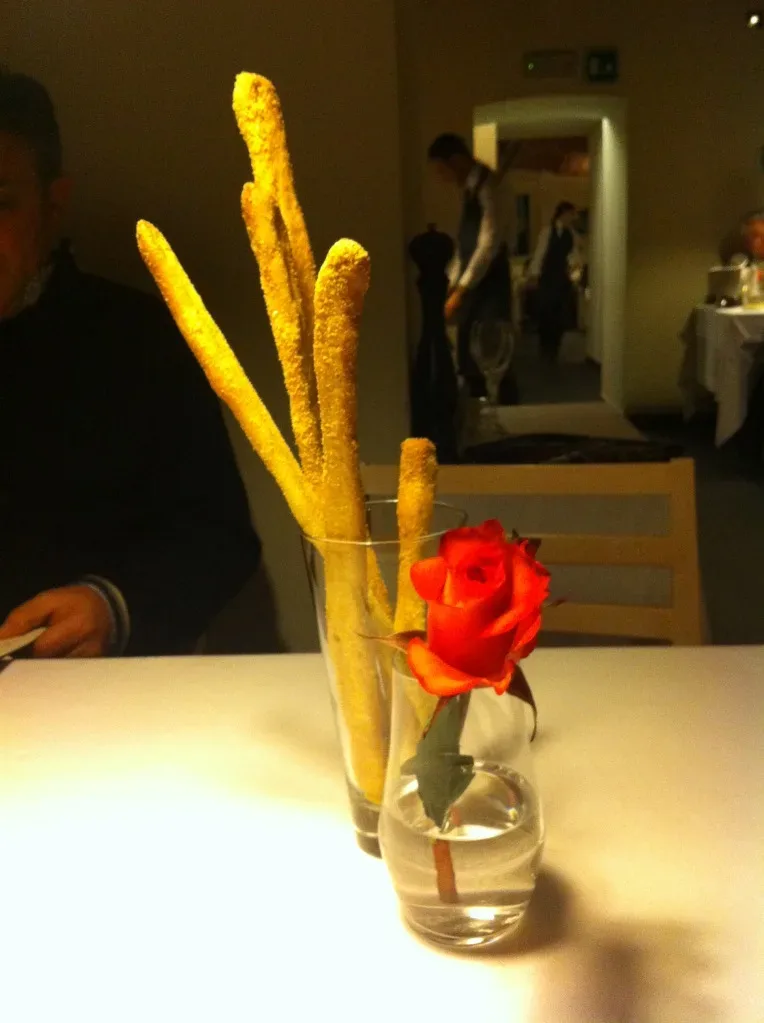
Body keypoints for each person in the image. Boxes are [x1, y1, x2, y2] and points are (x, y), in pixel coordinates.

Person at [0, 71, 261, 657]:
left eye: (0, 204)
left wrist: (113, 606)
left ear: (52, 207)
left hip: (97, 690)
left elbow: (220, 537)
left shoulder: (137, 339)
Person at [427, 133, 517, 402]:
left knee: (490, 349)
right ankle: (476, 413)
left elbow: (488, 245)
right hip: (473, 283)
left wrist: (460, 290)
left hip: (490, 283)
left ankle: (499, 414)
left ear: (456, 161)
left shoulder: (490, 187)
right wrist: (450, 284)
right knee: (468, 357)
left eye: (441, 170)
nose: (442, 178)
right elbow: (463, 246)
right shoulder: (469, 191)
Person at [528, 201, 582, 364]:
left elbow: (574, 255)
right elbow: (540, 253)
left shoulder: (571, 234)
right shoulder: (547, 232)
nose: (571, 218)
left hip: (562, 278)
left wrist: (574, 275)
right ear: (562, 214)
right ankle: (545, 346)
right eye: (570, 214)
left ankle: (554, 348)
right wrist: (534, 274)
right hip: (547, 277)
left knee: (560, 314)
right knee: (546, 312)